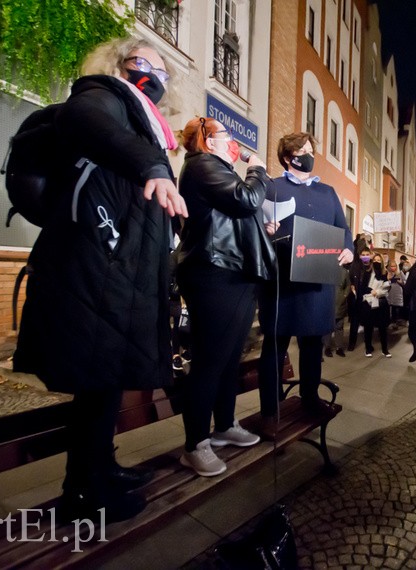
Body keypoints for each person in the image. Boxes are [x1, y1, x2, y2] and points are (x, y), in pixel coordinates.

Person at [13, 37, 187, 522]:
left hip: (120, 272)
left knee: (105, 382)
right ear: (119, 65)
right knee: (96, 378)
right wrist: (153, 165)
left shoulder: (141, 121)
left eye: (161, 72)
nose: (152, 77)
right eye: (142, 65)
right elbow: (80, 120)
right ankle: (82, 493)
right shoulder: (102, 94)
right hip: (96, 268)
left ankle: (101, 468)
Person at [174, 116, 275, 477]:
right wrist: (258, 172)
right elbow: (245, 200)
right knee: (209, 360)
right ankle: (195, 444)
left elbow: (236, 214)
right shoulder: (202, 166)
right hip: (213, 273)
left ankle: (225, 425)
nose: (233, 142)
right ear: (207, 140)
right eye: (226, 135)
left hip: (234, 273)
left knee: (229, 357)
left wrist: (260, 228)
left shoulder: (217, 169)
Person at [258, 132, 354, 425]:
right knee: (275, 346)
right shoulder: (270, 188)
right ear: (288, 157)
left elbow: (344, 230)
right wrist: (265, 230)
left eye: (312, 149)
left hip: (317, 282)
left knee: (312, 346)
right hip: (282, 282)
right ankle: (271, 409)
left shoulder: (328, 192)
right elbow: (253, 231)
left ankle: (310, 399)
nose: (310, 155)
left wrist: (348, 250)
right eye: (303, 150)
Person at [348, 247, 392, 357]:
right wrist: (370, 292)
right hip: (368, 303)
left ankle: (385, 349)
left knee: (382, 328)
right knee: (368, 327)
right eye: (375, 260)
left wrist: (377, 292)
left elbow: (387, 288)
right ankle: (368, 348)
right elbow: (363, 286)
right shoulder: (367, 271)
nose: (377, 262)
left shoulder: (385, 273)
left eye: (379, 260)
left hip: (381, 303)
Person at [323, 269, 350, 358]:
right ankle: (327, 347)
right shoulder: (325, 271)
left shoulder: (344, 272)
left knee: (339, 326)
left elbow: (348, 286)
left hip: (340, 303)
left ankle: (339, 348)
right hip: (328, 303)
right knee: (327, 328)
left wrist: (345, 295)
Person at [386, 259, 405, 326]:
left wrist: (400, 282)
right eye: (391, 266)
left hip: (398, 292)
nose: (393, 268)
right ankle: (391, 321)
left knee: (397, 308)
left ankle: (396, 321)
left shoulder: (400, 273)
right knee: (390, 307)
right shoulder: (387, 273)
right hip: (390, 292)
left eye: (394, 266)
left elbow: (405, 282)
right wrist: (388, 279)